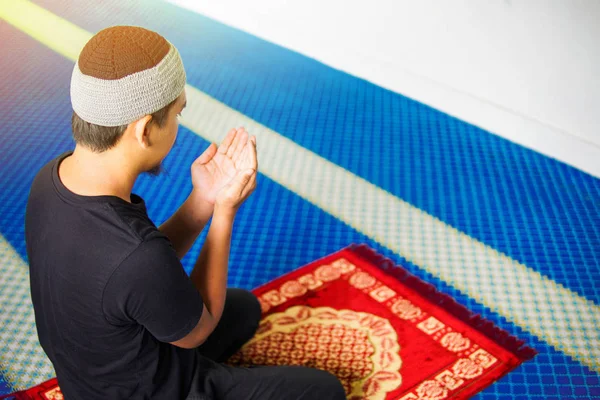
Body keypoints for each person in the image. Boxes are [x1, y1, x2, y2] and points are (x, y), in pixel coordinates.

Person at [25, 25, 345, 400]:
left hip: (90, 378)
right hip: (155, 392)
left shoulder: (51, 178)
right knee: (324, 391)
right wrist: (224, 211)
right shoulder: (133, 254)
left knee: (243, 308)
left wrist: (202, 200)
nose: (178, 125)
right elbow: (200, 326)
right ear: (144, 130)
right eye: (178, 113)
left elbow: (128, 277)